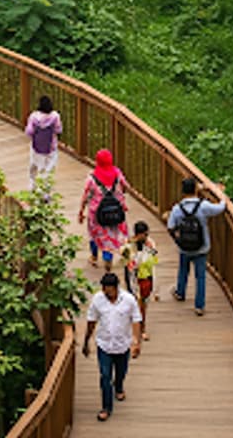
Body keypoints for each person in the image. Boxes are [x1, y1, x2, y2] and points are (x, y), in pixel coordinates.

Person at [82, 270, 142, 420]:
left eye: (109, 290)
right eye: (104, 290)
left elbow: (136, 320)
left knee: (121, 371)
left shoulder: (128, 300)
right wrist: (86, 341)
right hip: (104, 344)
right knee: (105, 375)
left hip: (122, 344)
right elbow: (91, 321)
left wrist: (136, 341)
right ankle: (106, 407)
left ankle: (119, 386)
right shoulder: (98, 299)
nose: (106, 293)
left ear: (116, 288)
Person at [167, 175, 228, 315]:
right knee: (200, 276)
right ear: (196, 190)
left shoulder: (177, 208)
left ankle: (180, 292)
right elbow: (220, 208)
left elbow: (170, 226)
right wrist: (222, 196)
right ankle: (199, 305)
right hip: (201, 247)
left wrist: (178, 240)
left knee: (183, 270)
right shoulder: (203, 206)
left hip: (184, 247)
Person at [78, 149, 130, 271]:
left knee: (95, 234)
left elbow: (85, 196)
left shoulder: (92, 178)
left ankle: (94, 256)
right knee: (110, 234)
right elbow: (126, 186)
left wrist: (81, 211)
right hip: (115, 210)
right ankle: (108, 256)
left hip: (97, 213)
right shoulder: (117, 173)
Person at [120, 221, 159, 339]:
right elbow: (125, 260)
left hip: (146, 275)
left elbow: (154, 259)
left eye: (146, 235)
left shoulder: (150, 243)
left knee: (143, 303)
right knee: (135, 301)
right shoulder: (127, 245)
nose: (145, 237)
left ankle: (141, 327)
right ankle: (139, 328)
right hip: (133, 276)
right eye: (143, 235)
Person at [24, 95, 62, 188]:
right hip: (51, 147)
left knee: (35, 166)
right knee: (48, 170)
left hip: (37, 147)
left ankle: (33, 186)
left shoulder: (34, 116)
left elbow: (29, 132)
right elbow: (58, 130)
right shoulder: (55, 116)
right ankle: (45, 191)